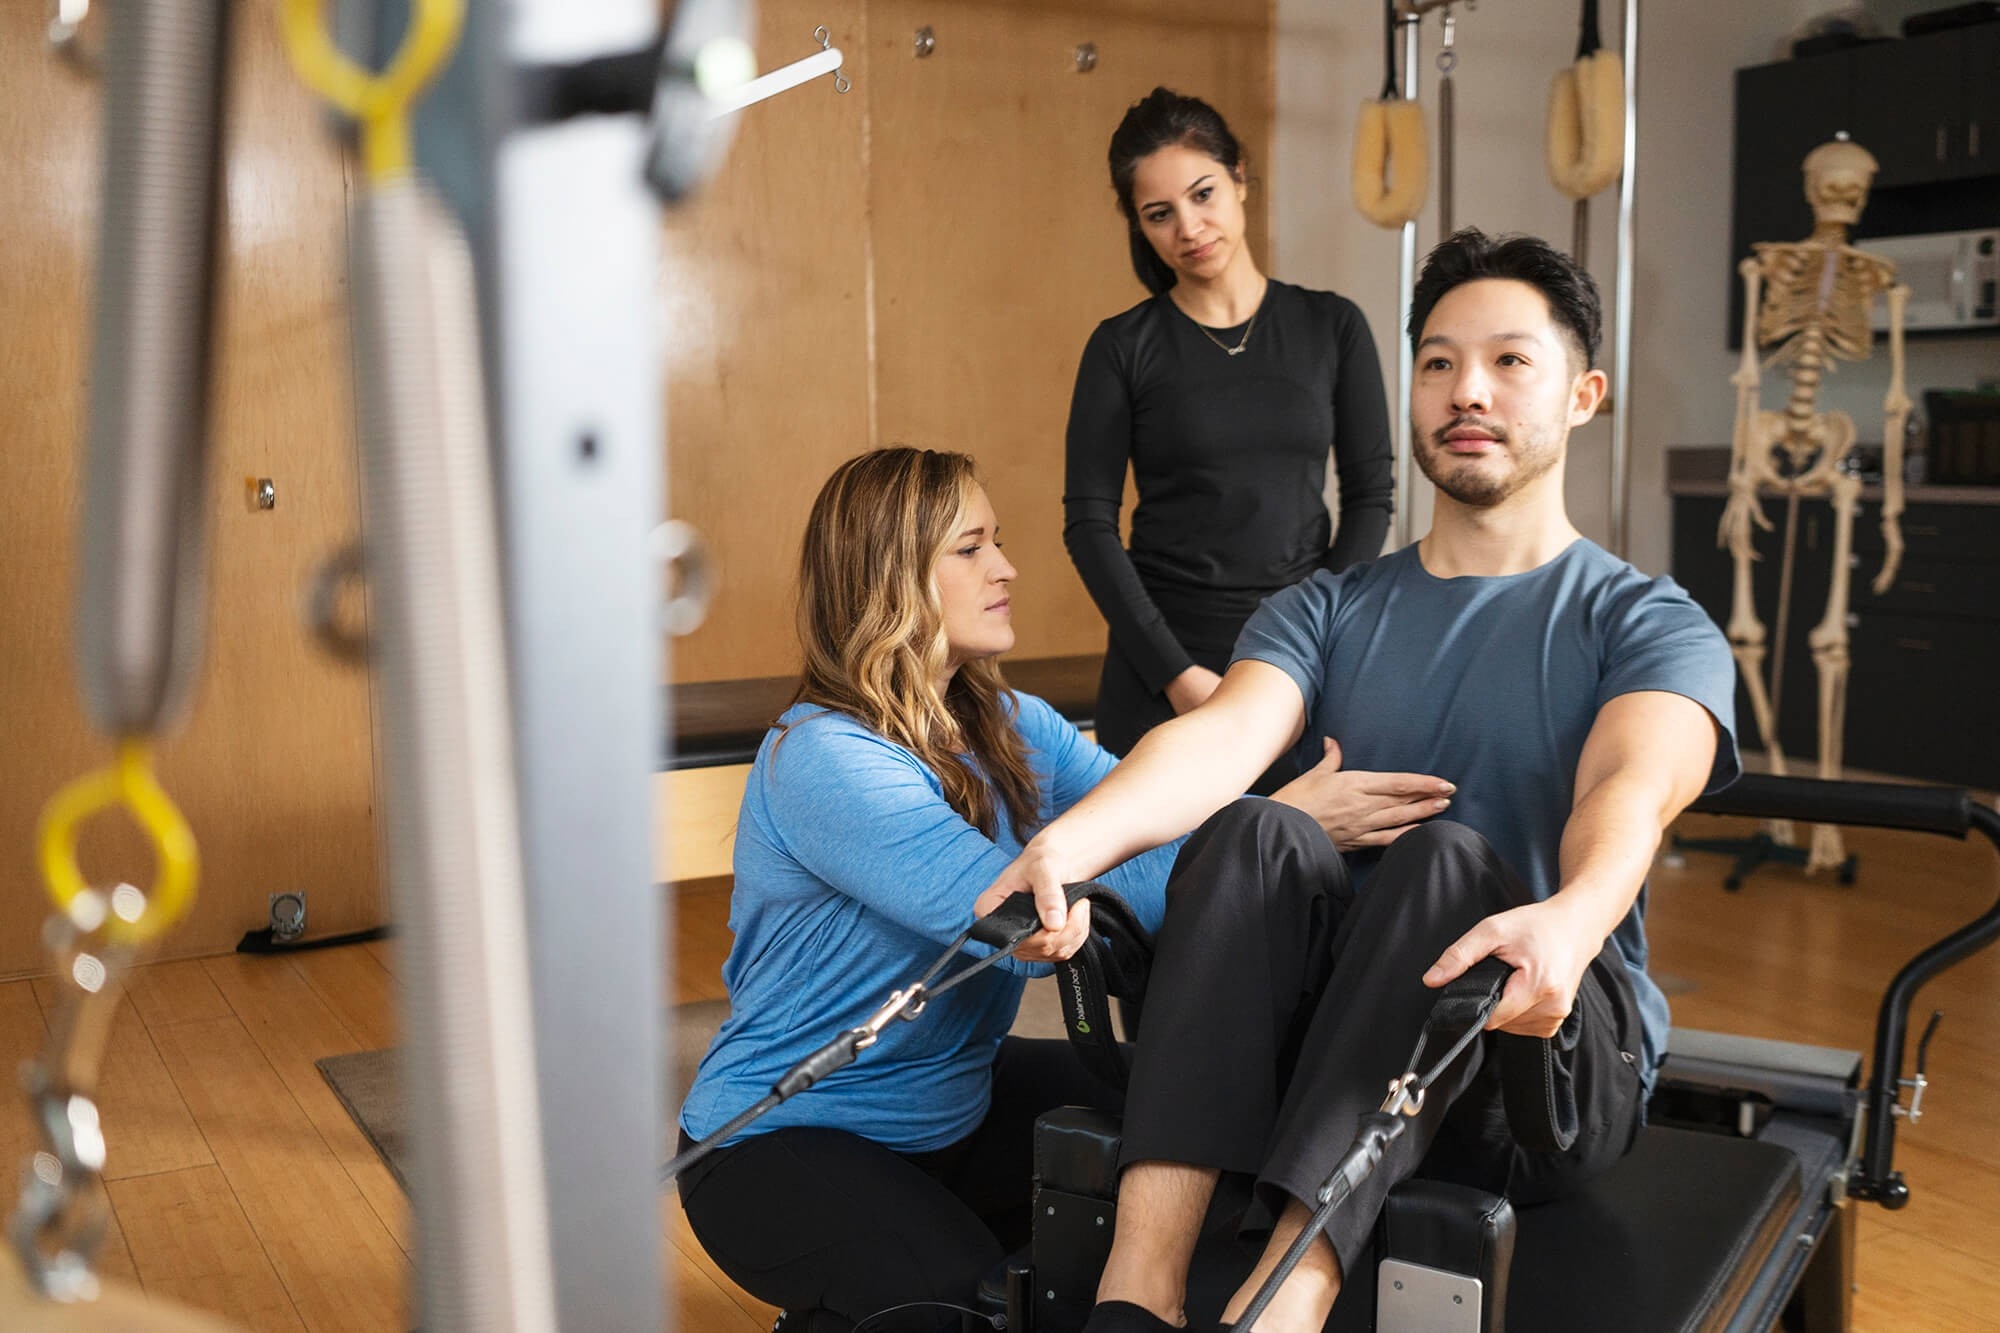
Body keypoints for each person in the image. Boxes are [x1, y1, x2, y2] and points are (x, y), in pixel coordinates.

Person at [984, 230, 1741, 1332]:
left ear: (1583, 395)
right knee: (1255, 826)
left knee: (1444, 861)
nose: (1465, 390)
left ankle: (1285, 1301)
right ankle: (1134, 1298)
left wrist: (1573, 919)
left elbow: (1629, 788)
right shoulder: (1325, 606)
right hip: (1324, 1055)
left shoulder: (1643, 620)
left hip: (1528, 1061)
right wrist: (1068, 846)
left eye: (1508, 361)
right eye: (1437, 362)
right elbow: (1221, 738)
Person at [682, 447, 1324, 1333]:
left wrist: (1262, 828)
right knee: (964, 1305)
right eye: (972, 547)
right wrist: (1281, 818)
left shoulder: (1011, 725)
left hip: (956, 1104)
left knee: (1194, 1134)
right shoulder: (827, 758)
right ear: (893, 578)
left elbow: (1160, 827)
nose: (1006, 568)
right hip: (779, 1143)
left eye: (998, 541)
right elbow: (1020, 926)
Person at [1064, 87, 1395, 786]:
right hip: (1162, 671)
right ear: (1140, 226)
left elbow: (1371, 497)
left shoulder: (1332, 326)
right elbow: (1089, 525)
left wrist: (1320, 641)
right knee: (1171, 859)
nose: (1189, 227)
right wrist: (1179, 677)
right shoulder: (1122, 347)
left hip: (1300, 660)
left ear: (1240, 177)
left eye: (1203, 194)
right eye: (1160, 214)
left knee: (1301, 850)